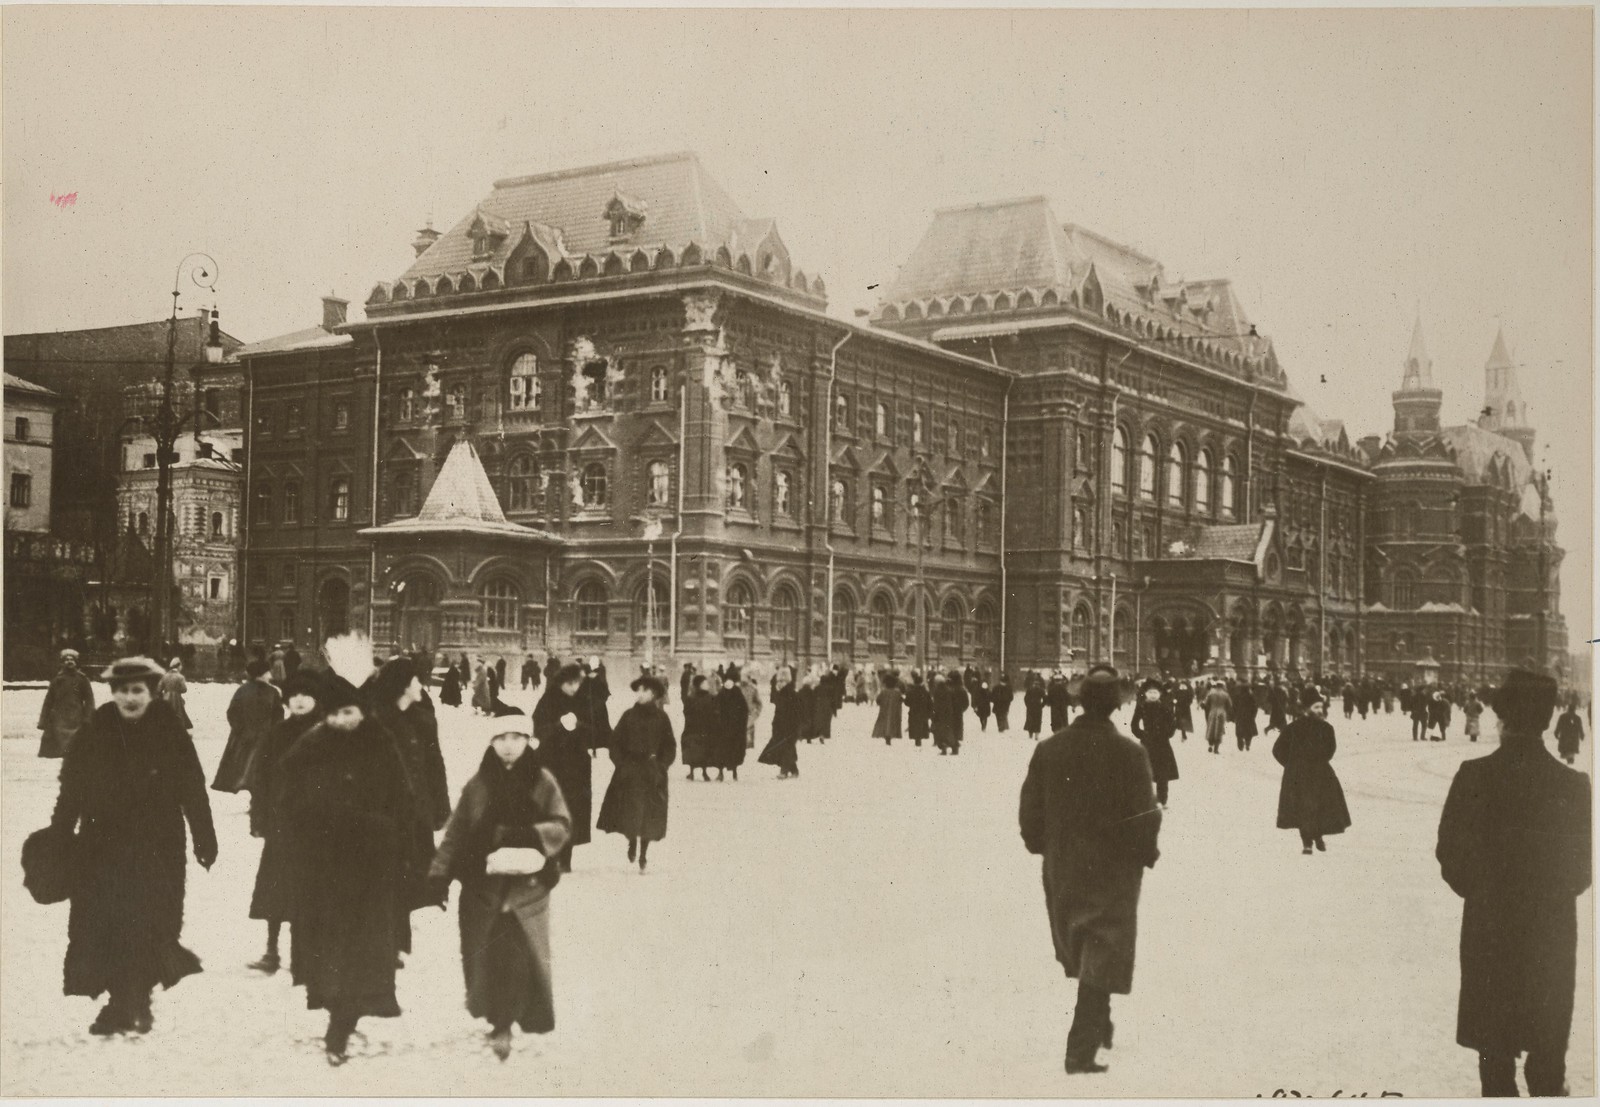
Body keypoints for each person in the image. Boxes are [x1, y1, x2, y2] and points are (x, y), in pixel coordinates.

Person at [1437, 667, 1592, 1097]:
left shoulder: (1474, 775)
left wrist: (1486, 893)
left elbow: (1450, 856)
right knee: (1547, 1057)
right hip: (1551, 934)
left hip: (1489, 930)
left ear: (1502, 718)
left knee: (1495, 1062)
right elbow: (1583, 869)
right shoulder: (1575, 785)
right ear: (1545, 720)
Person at [45, 657, 216, 1037]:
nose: (129, 697)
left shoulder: (170, 729)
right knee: (106, 922)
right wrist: (60, 834)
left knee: (151, 923)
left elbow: (193, 787)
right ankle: (123, 999)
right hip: (102, 847)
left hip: (158, 847)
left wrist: (205, 837)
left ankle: (132, 997)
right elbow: (70, 790)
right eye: (122, 690)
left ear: (152, 692)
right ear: (113, 693)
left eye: (137, 690)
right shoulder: (95, 730)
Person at [1019, 664, 1161, 1076]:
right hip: (1113, 868)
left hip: (1063, 864)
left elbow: (1031, 808)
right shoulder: (1130, 753)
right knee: (1103, 943)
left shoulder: (1050, 749)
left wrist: (1040, 845)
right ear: (1116, 706)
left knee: (1085, 942)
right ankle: (1080, 1050)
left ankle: (1101, 1023)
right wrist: (1145, 852)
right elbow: (1144, 813)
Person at [282, 643, 419, 1065]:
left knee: (362, 948)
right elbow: (287, 801)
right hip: (322, 869)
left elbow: (404, 801)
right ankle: (340, 1008)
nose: (344, 720)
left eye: (351, 712)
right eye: (337, 713)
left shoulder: (380, 743)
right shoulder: (309, 747)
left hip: (372, 869)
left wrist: (398, 846)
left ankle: (341, 1022)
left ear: (363, 711)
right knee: (329, 948)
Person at [428, 712, 571, 1061]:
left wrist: (527, 836)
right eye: (501, 738)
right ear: (492, 743)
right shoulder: (478, 784)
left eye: (516, 737)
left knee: (518, 955)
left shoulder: (543, 781)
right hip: (482, 886)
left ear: (528, 741)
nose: (509, 746)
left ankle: (506, 1022)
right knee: (484, 954)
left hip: (527, 887)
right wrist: (439, 874)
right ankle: (496, 1017)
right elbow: (457, 831)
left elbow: (562, 825)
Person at [246, 669, 322, 974]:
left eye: (307, 695)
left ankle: (308, 955)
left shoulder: (326, 734)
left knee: (313, 889)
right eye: (295, 695)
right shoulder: (276, 734)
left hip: (318, 826)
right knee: (275, 889)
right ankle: (272, 951)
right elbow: (260, 778)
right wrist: (259, 815)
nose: (300, 701)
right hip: (282, 823)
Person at [596, 674, 677, 872]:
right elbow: (615, 742)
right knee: (630, 813)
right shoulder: (628, 716)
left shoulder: (662, 718)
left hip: (652, 771)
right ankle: (632, 840)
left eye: (645, 691)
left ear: (654, 694)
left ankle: (643, 854)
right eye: (639, 690)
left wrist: (662, 766)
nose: (640, 694)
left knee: (650, 815)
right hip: (630, 771)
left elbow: (670, 745)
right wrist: (621, 764)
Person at [1272, 691, 1352, 854]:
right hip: (1299, 775)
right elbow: (1278, 749)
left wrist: (1315, 761)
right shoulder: (1293, 728)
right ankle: (1307, 842)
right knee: (1304, 808)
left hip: (1320, 774)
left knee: (1319, 807)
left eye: (1321, 707)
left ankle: (1317, 836)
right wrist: (1290, 765)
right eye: (1316, 707)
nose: (1319, 710)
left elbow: (1330, 750)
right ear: (1306, 709)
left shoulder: (1327, 728)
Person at [532, 663, 592, 872]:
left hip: (576, 768)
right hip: (552, 764)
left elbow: (595, 730)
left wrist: (579, 727)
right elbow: (538, 729)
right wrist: (559, 726)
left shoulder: (583, 701)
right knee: (550, 808)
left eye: (577, 683)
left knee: (572, 810)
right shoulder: (548, 700)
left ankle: (566, 857)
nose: (574, 688)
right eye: (570, 683)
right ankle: (551, 854)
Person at [214, 659, 284, 793]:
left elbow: (232, 712)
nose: (270, 674)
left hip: (248, 737)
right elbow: (278, 715)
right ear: (262, 674)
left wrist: (239, 729)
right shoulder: (269, 692)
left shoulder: (244, 690)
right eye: (268, 672)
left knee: (249, 769)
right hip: (257, 737)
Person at [38, 648, 96, 758]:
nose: (69, 662)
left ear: (76, 662)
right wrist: (43, 721)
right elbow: (48, 702)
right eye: (66, 660)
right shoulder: (56, 680)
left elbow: (89, 700)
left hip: (76, 716)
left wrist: (88, 718)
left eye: (72, 660)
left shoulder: (82, 679)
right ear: (62, 663)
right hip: (58, 718)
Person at [1129, 679, 1179, 808]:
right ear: (1145, 693)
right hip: (1147, 743)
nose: (1152, 694)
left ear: (1160, 694)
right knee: (1145, 772)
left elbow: (1172, 723)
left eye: (1155, 692)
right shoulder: (1141, 707)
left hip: (1162, 744)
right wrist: (1141, 734)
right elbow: (1134, 724)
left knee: (1163, 773)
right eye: (1150, 692)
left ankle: (1162, 800)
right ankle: (1146, 799)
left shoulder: (1164, 707)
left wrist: (1167, 733)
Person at [760, 667, 801, 779]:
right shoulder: (781, 694)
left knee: (787, 748)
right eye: (778, 681)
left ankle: (784, 771)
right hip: (780, 726)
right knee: (786, 748)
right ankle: (794, 770)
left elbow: (797, 712)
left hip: (790, 727)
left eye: (782, 681)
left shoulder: (792, 694)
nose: (779, 683)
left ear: (787, 681)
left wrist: (795, 727)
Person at [714, 665, 750, 782]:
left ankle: (731, 772)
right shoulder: (725, 693)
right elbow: (716, 708)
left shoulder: (734, 693)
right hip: (724, 728)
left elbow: (744, 711)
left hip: (732, 728)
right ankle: (723, 773)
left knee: (730, 750)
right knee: (724, 750)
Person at [681, 674, 716, 782]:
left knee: (704, 750)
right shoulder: (691, 698)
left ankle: (704, 772)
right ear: (700, 685)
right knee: (693, 750)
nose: (707, 685)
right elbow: (686, 712)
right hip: (693, 728)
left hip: (706, 728)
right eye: (705, 683)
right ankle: (692, 772)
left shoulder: (711, 697)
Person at [873, 670, 904, 745]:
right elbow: (901, 700)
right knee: (892, 723)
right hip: (894, 712)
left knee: (885, 723)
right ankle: (890, 736)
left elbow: (878, 700)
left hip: (884, 711)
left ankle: (886, 736)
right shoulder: (897, 692)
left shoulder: (884, 692)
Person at [1203, 680, 1231, 754]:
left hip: (1212, 712)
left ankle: (1210, 744)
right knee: (1219, 730)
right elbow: (1229, 705)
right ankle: (1216, 749)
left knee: (1211, 728)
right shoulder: (1225, 694)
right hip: (1221, 712)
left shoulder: (1211, 693)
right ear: (1222, 686)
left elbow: (1206, 704)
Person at [947, 668, 969, 755]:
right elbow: (966, 703)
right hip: (958, 713)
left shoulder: (948, 689)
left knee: (950, 729)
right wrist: (961, 709)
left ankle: (953, 746)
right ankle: (955, 746)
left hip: (949, 712)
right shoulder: (962, 689)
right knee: (957, 729)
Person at [1233, 680, 1258, 752]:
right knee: (1249, 732)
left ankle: (1240, 744)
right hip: (1249, 717)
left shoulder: (1237, 696)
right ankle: (1247, 744)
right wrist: (1253, 715)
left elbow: (1234, 707)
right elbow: (1255, 707)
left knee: (1239, 731)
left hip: (1240, 716)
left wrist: (1235, 715)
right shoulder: (1251, 696)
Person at [1023, 675, 1045, 740]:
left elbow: (1026, 699)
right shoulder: (1041, 690)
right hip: (1038, 707)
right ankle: (1036, 735)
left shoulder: (1029, 690)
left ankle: (1030, 734)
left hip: (1031, 707)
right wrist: (1042, 705)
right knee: (1037, 721)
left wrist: (1028, 705)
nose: (1036, 685)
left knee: (1030, 720)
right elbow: (1045, 699)